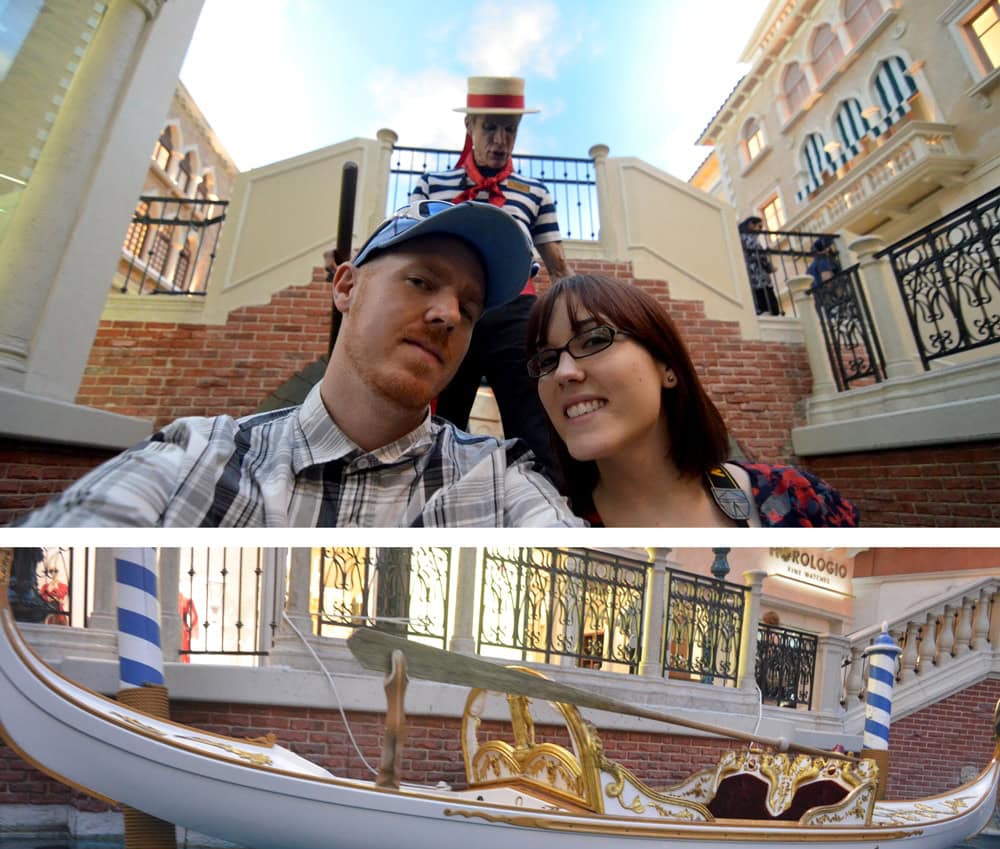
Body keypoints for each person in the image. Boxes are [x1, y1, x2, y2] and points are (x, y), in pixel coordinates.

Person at [16, 201, 582, 528]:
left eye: (469, 306)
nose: (447, 315)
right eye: (420, 281)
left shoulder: (503, 482)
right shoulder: (196, 458)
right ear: (345, 285)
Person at [525, 274, 860, 528]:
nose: (563, 372)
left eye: (594, 339)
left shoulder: (797, 498)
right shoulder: (546, 525)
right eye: (546, 360)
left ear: (667, 366)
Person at [410, 76, 572, 484]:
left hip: (516, 310)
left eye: (510, 130)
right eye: (490, 128)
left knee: (534, 419)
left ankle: (549, 507)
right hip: (454, 310)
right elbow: (409, 249)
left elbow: (559, 268)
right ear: (470, 127)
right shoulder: (433, 185)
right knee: (441, 419)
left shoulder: (535, 193)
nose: (500, 140)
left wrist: (575, 320)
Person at [739, 216, 780, 316]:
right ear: (751, 225)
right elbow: (759, 255)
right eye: (759, 226)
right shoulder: (749, 238)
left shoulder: (741, 238)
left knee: (759, 300)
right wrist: (769, 267)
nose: (760, 230)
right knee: (770, 304)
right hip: (758, 276)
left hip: (751, 277)